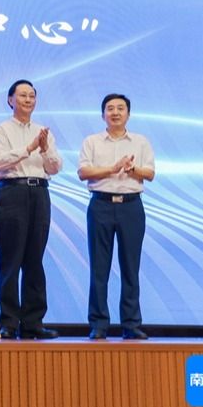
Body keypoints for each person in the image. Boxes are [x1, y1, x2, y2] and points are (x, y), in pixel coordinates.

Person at [78, 93, 155, 340]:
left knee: (131, 267)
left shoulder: (140, 142)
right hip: (100, 205)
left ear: (128, 114)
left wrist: (133, 169)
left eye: (120, 108)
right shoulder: (92, 141)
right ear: (103, 115)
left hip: (131, 207)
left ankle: (131, 324)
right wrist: (113, 169)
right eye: (110, 108)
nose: (115, 112)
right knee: (99, 267)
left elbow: (150, 174)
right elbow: (83, 172)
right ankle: (98, 324)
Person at [0, 79, 62, 339]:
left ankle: (33, 322)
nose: (28, 100)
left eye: (32, 95)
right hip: (12, 192)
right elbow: (0, 161)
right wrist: (29, 148)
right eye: (22, 95)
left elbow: (54, 167)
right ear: (10, 100)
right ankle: (9, 322)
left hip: (40, 193)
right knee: (11, 259)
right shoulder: (1, 130)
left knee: (35, 259)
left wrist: (44, 149)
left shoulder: (44, 132)